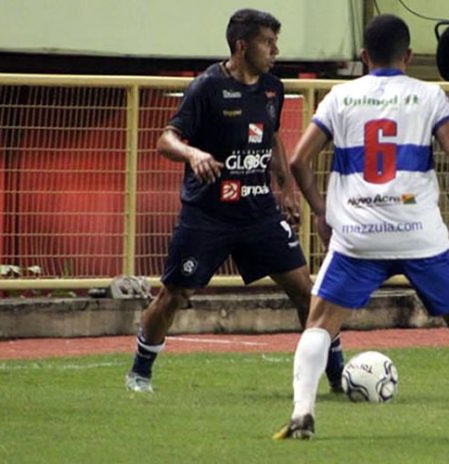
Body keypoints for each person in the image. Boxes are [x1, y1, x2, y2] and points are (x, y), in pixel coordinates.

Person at [273, 14, 449, 439]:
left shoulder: (340, 97)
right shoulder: (430, 95)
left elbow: (296, 160)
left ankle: (302, 413)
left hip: (358, 235)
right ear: (409, 56)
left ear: (364, 56)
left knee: (320, 323)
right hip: (419, 232)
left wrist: (322, 211)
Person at [125, 8, 344, 393]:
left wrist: (286, 190)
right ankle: (140, 371)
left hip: (259, 211)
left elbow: (272, 137)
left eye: (276, 41)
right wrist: (193, 154)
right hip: (208, 214)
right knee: (174, 295)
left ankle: (338, 377)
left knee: (305, 291)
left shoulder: (273, 88)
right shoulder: (206, 87)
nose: (276, 49)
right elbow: (166, 139)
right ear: (242, 46)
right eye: (267, 42)